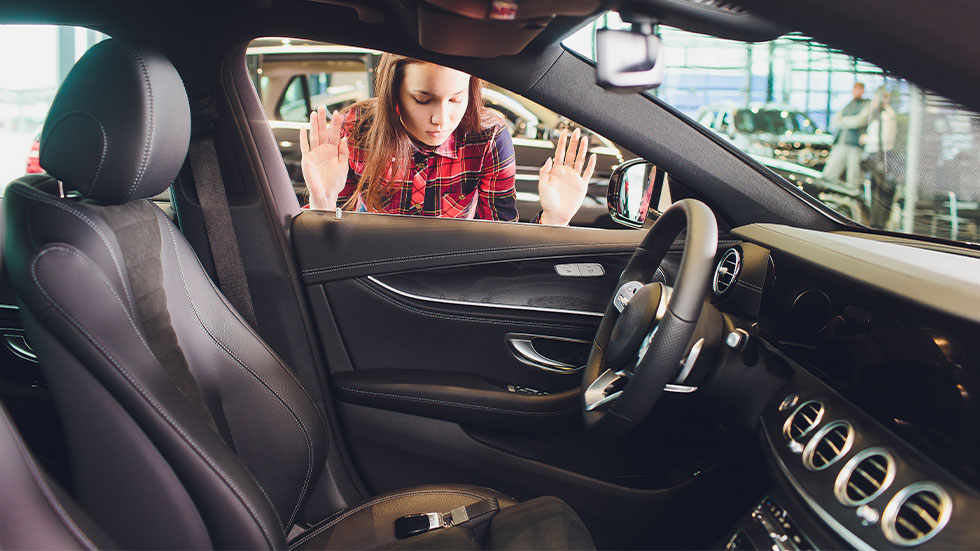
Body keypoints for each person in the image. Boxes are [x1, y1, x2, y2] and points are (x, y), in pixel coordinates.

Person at [299, 54, 596, 226]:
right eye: (423, 99)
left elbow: (499, 244)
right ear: (394, 93)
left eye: (456, 99)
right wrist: (322, 200)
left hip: (448, 277)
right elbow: (332, 246)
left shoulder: (487, 137)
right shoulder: (358, 126)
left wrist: (554, 219)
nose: (441, 119)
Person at [822, 82, 872, 190]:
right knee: (829, 173)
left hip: (855, 146)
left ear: (863, 91)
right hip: (840, 144)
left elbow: (859, 121)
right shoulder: (848, 105)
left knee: (853, 178)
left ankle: (851, 202)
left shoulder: (867, 104)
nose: (857, 92)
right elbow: (834, 121)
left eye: (859, 89)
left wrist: (843, 121)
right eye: (855, 89)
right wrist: (849, 121)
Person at [861, 87, 898, 228]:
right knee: (875, 191)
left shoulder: (887, 116)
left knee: (879, 191)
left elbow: (885, 140)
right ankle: (874, 222)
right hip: (874, 155)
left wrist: (866, 139)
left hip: (880, 156)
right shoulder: (879, 114)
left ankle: (877, 223)